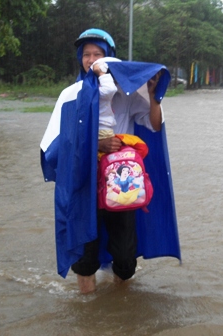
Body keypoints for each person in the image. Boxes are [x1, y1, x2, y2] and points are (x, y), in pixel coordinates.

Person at [40, 28, 181, 294]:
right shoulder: (70, 95)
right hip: (85, 184)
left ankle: (121, 301)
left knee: (126, 254)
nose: (91, 59)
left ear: (110, 57)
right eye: (86, 54)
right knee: (85, 253)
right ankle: (88, 309)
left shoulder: (127, 95)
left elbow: (154, 125)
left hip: (121, 183)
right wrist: (98, 145)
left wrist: (153, 98)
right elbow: (60, 144)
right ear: (80, 58)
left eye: (98, 53)